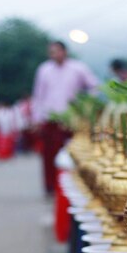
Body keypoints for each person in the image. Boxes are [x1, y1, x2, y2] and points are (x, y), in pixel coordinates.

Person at [31, 41, 99, 194]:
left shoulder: (78, 68)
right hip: (50, 119)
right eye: (51, 52)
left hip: (72, 120)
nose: (54, 55)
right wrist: (36, 119)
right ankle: (51, 186)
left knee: (73, 154)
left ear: (64, 51)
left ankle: (75, 186)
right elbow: (38, 95)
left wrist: (86, 107)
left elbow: (94, 86)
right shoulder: (44, 69)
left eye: (56, 51)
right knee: (49, 155)